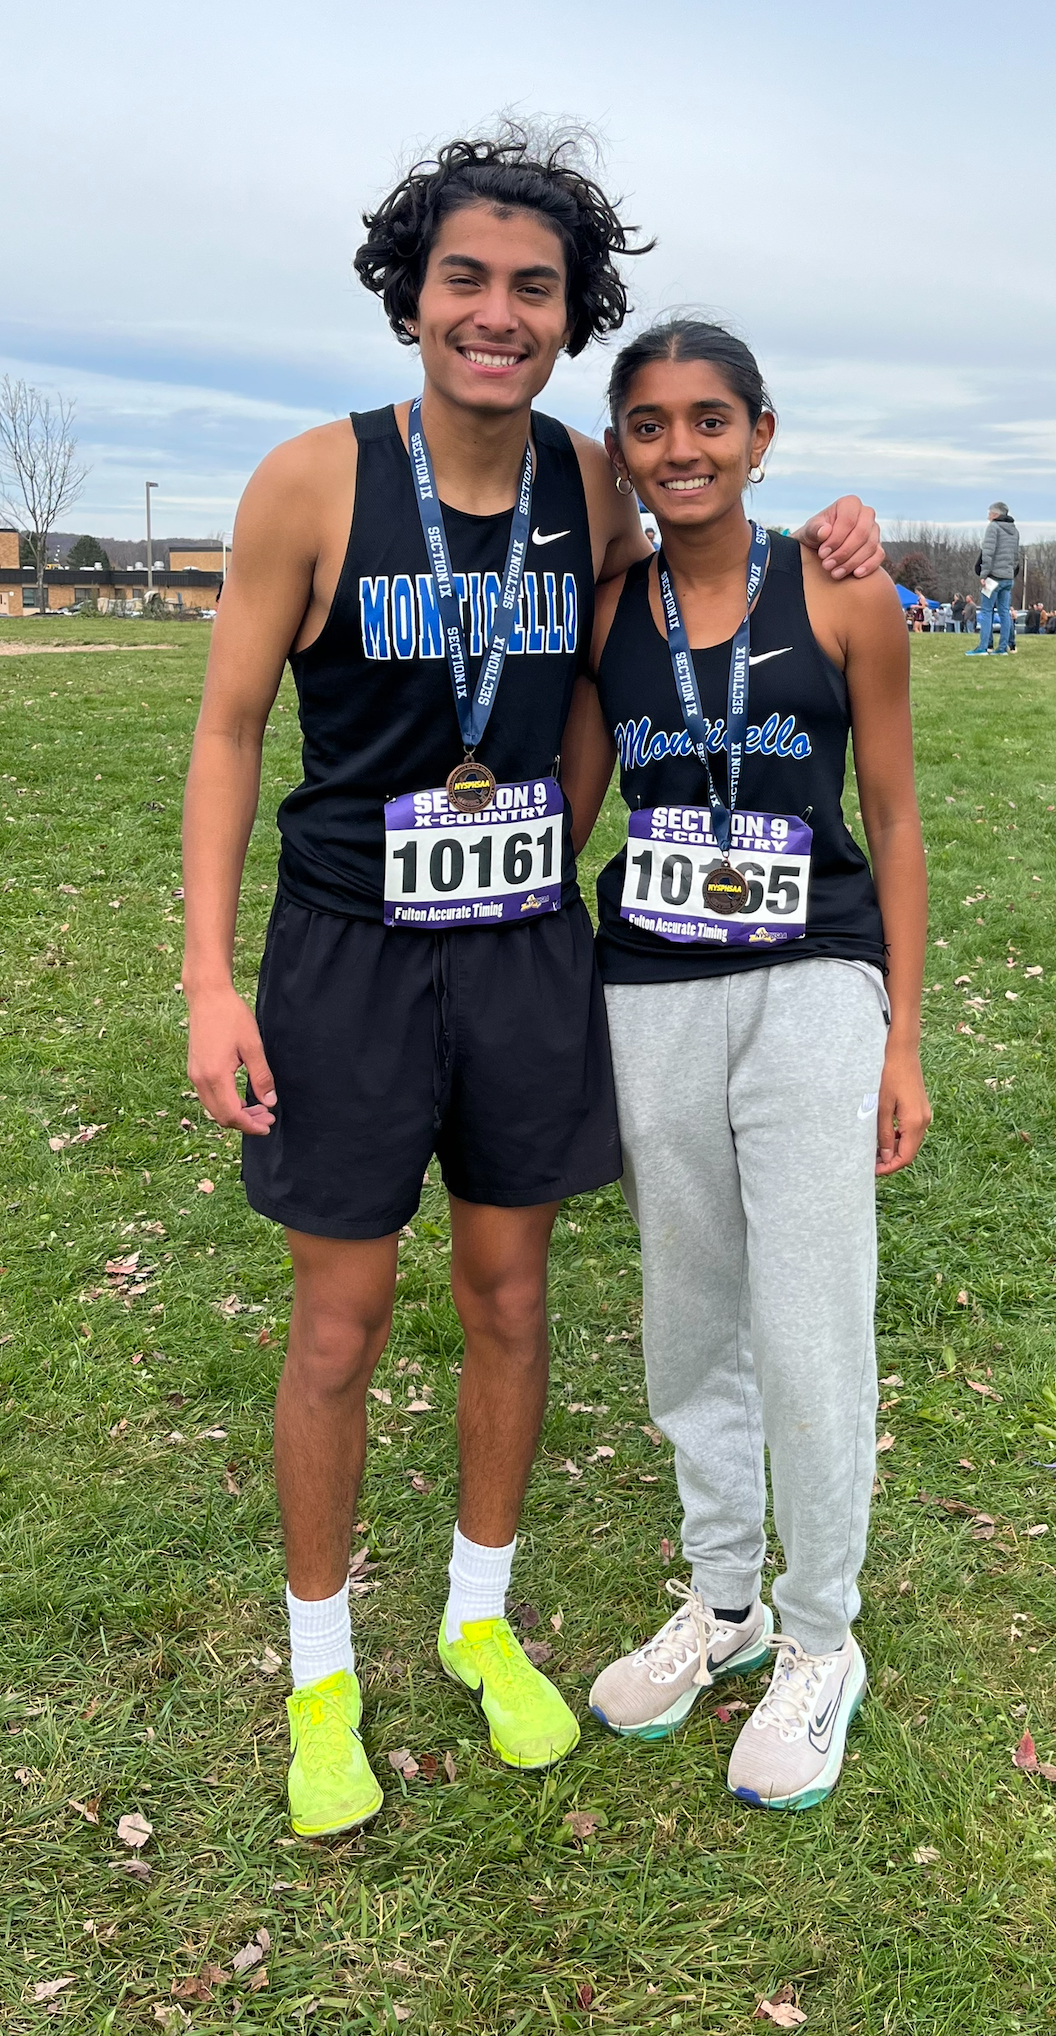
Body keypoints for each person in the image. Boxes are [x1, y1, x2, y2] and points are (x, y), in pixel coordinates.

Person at [179, 131, 884, 1841]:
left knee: (508, 1302)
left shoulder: (592, 483)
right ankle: (322, 1674)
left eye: (534, 290)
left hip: (519, 954)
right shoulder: (309, 484)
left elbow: (722, 550)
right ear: (411, 296)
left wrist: (855, 539)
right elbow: (226, 727)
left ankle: (481, 1623)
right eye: (465, 281)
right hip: (346, 957)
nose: (496, 315)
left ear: (573, 317)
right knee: (338, 1327)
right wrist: (207, 976)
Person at [559, 318, 930, 1811]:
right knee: (690, 1307)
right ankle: (725, 1604)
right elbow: (574, 805)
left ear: (762, 436)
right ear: (623, 450)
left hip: (814, 980)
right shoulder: (606, 611)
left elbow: (895, 820)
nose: (682, 450)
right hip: (651, 982)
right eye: (649, 427)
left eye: (712, 422)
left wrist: (905, 1034)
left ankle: (822, 1639)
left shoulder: (846, 594)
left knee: (809, 1316)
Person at [969, 502, 1021, 656]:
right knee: (1005, 612)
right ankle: (1002, 648)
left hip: (993, 578)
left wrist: (984, 575)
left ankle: (983, 647)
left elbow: (988, 553)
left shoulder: (993, 528)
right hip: (1008, 577)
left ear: (996, 514)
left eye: (990, 513)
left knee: (986, 611)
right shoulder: (1014, 530)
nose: (988, 516)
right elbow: (1016, 557)